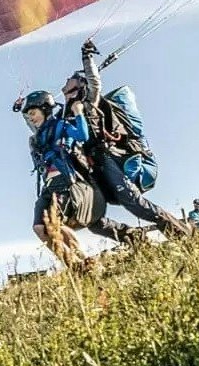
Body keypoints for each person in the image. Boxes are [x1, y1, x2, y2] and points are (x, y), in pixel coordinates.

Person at [65, 40, 193, 239]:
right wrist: (25, 109)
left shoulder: (88, 102)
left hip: (106, 158)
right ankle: (133, 238)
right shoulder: (66, 115)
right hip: (92, 167)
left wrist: (87, 57)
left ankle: (180, 233)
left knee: (134, 203)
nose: (66, 80)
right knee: (90, 215)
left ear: (80, 85)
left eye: (71, 79)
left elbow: (94, 82)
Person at [15, 89, 142, 253]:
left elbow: (82, 136)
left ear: (45, 109)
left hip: (66, 182)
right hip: (48, 186)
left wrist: (78, 112)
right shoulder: (39, 136)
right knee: (40, 227)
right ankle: (74, 265)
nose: (31, 118)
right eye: (29, 115)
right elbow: (30, 122)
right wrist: (21, 109)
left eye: (33, 113)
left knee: (59, 224)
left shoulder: (60, 125)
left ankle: (82, 262)